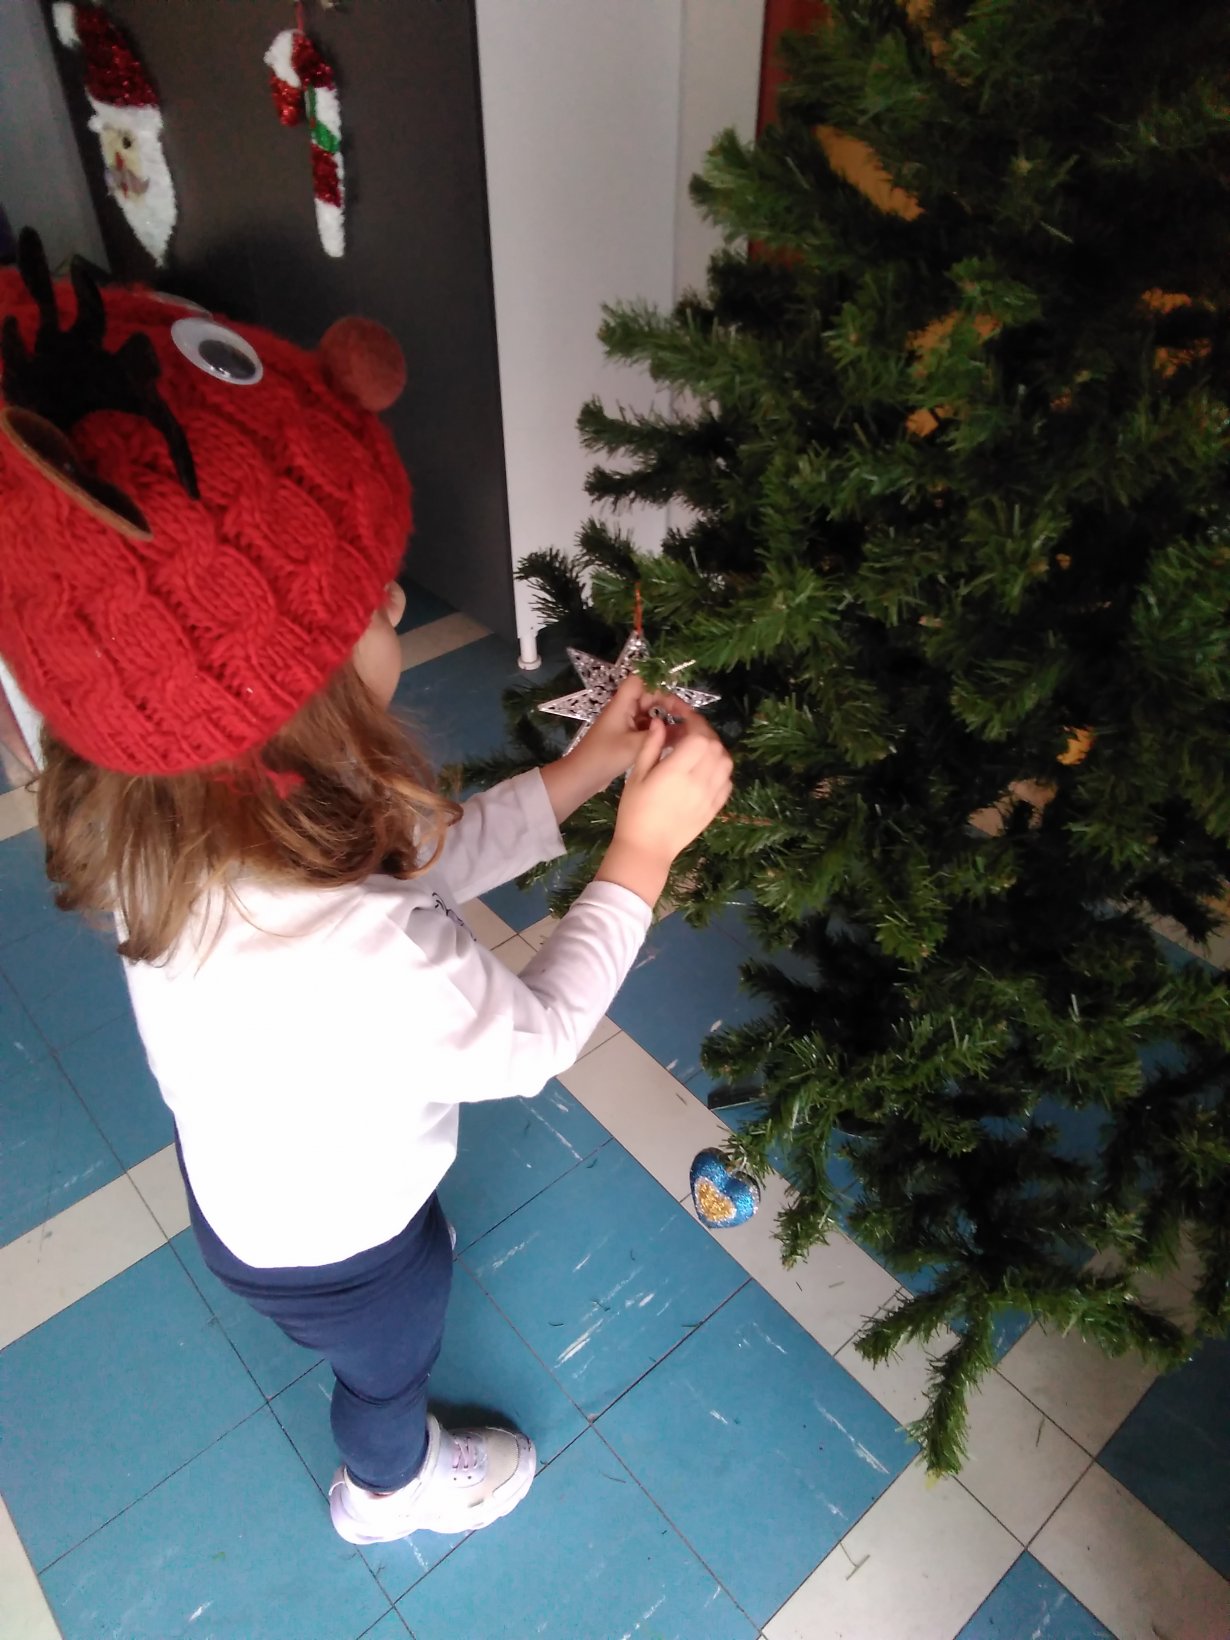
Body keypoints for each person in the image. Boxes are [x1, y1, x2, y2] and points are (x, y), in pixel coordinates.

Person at [0, 232, 732, 1546]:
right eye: (371, 604)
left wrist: (580, 777)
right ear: (296, 698)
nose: (395, 594)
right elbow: (533, 1040)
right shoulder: (342, 942)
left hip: (251, 1188)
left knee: (380, 1301)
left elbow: (420, 864)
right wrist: (643, 855)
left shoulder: (181, 804)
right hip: (341, 1250)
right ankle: (386, 1490)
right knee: (388, 1367)